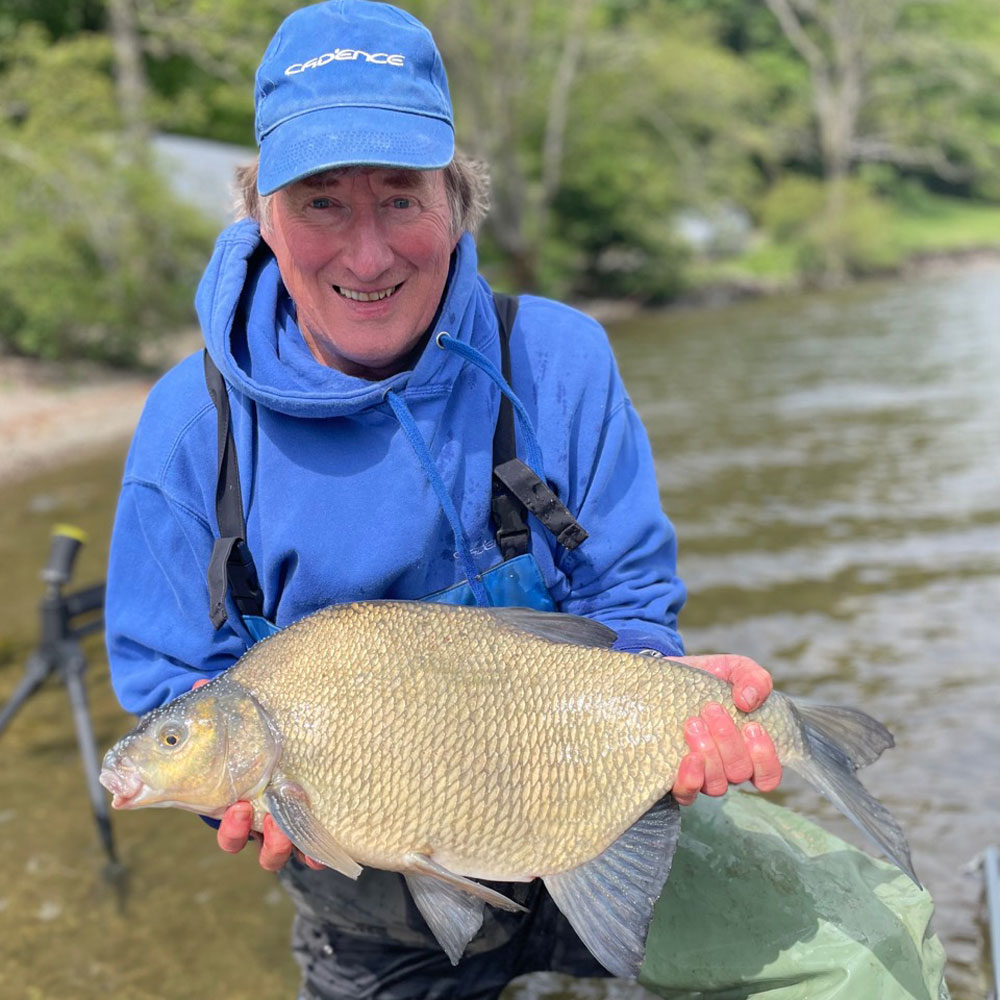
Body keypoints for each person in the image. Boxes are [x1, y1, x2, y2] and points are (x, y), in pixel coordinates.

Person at [104, 3, 946, 999]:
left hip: (593, 809)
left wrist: (676, 706)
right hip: (373, 896)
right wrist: (227, 806)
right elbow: (174, 683)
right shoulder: (186, 427)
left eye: (403, 198)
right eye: (321, 201)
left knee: (874, 959)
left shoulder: (557, 358)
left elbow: (631, 606)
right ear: (258, 213)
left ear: (458, 201)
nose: (367, 256)